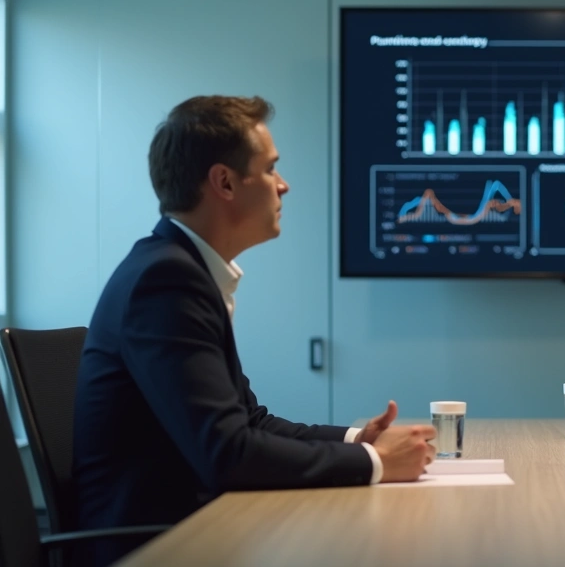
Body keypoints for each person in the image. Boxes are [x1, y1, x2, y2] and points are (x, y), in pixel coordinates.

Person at [73, 96, 436, 564]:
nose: (283, 186)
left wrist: (356, 441)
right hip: (159, 547)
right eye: (270, 170)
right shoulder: (165, 282)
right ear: (224, 182)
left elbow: (249, 422)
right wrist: (378, 463)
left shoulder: (179, 270)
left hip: (197, 529)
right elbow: (227, 452)